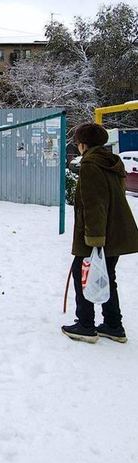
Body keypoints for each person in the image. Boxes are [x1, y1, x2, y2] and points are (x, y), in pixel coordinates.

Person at [62, 123, 138, 343]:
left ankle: (86, 325)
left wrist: (94, 241)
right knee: (106, 277)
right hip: (116, 231)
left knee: (82, 274)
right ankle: (113, 325)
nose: (77, 147)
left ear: (83, 144)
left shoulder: (90, 165)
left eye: (77, 143)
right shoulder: (111, 162)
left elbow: (95, 204)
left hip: (99, 234)